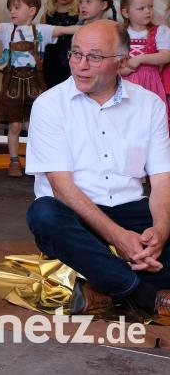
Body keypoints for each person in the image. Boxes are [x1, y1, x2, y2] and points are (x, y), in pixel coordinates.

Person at [26, 20, 170, 322]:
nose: (81, 65)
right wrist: (118, 238)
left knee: (161, 237)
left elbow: (162, 179)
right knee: (44, 215)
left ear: (122, 60)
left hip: (130, 209)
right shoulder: (49, 105)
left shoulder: (149, 105)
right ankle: (143, 295)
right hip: (73, 214)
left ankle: (102, 287)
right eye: (75, 54)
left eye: (94, 57)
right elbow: (62, 188)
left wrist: (160, 231)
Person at [0, 0, 78, 178]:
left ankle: (37, 161)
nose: (12, 12)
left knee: (34, 125)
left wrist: (98, 24)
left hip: (36, 82)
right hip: (13, 83)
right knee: (15, 125)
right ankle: (14, 161)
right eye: (10, 9)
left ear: (32, 10)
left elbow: (69, 30)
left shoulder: (42, 30)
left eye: (17, 8)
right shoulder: (7, 29)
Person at [118, 0, 170, 115]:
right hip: (125, 82)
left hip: (151, 83)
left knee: (150, 114)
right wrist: (119, 70)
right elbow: (113, 57)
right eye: (141, 8)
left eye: (150, 6)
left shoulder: (159, 31)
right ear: (126, 13)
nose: (148, 11)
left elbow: (166, 55)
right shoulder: (119, 33)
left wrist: (140, 59)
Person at [41, 0, 82, 89]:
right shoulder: (48, 13)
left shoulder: (79, 14)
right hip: (49, 60)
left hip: (70, 60)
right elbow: (41, 37)